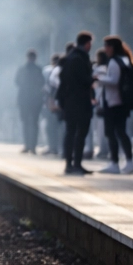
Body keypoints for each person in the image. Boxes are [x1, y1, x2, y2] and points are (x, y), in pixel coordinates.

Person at [56, 32, 95, 175]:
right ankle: (75, 163)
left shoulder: (70, 57)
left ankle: (71, 164)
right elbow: (83, 80)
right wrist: (93, 78)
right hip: (79, 101)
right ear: (87, 43)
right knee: (79, 133)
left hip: (70, 101)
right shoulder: (79, 59)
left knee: (71, 132)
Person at [96, 36, 133, 174]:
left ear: (112, 47)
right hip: (122, 103)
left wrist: (99, 78)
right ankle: (128, 161)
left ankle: (115, 162)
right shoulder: (125, 60)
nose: (105, 49)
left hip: (113, 102)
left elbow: (114, 80)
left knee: (112, 132)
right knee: (120, 132)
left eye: (107, 46)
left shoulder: (113, 62)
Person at [14, 50, 42, 153]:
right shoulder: (38, 69)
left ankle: (28, 145)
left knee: (26, 123)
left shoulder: (22, 69)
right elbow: (41, 83)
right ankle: (32, 146)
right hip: (35, 100)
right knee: (34, 123)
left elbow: (16, 82)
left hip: (24, 99)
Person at [43, 54, 65, 156]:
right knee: (59, 127)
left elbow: (49, 89)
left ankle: (54, 148)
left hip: (54, 102)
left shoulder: (50, 71)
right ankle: (58, 148)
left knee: (52, 127)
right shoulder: (63, 70)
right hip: (60, 101)